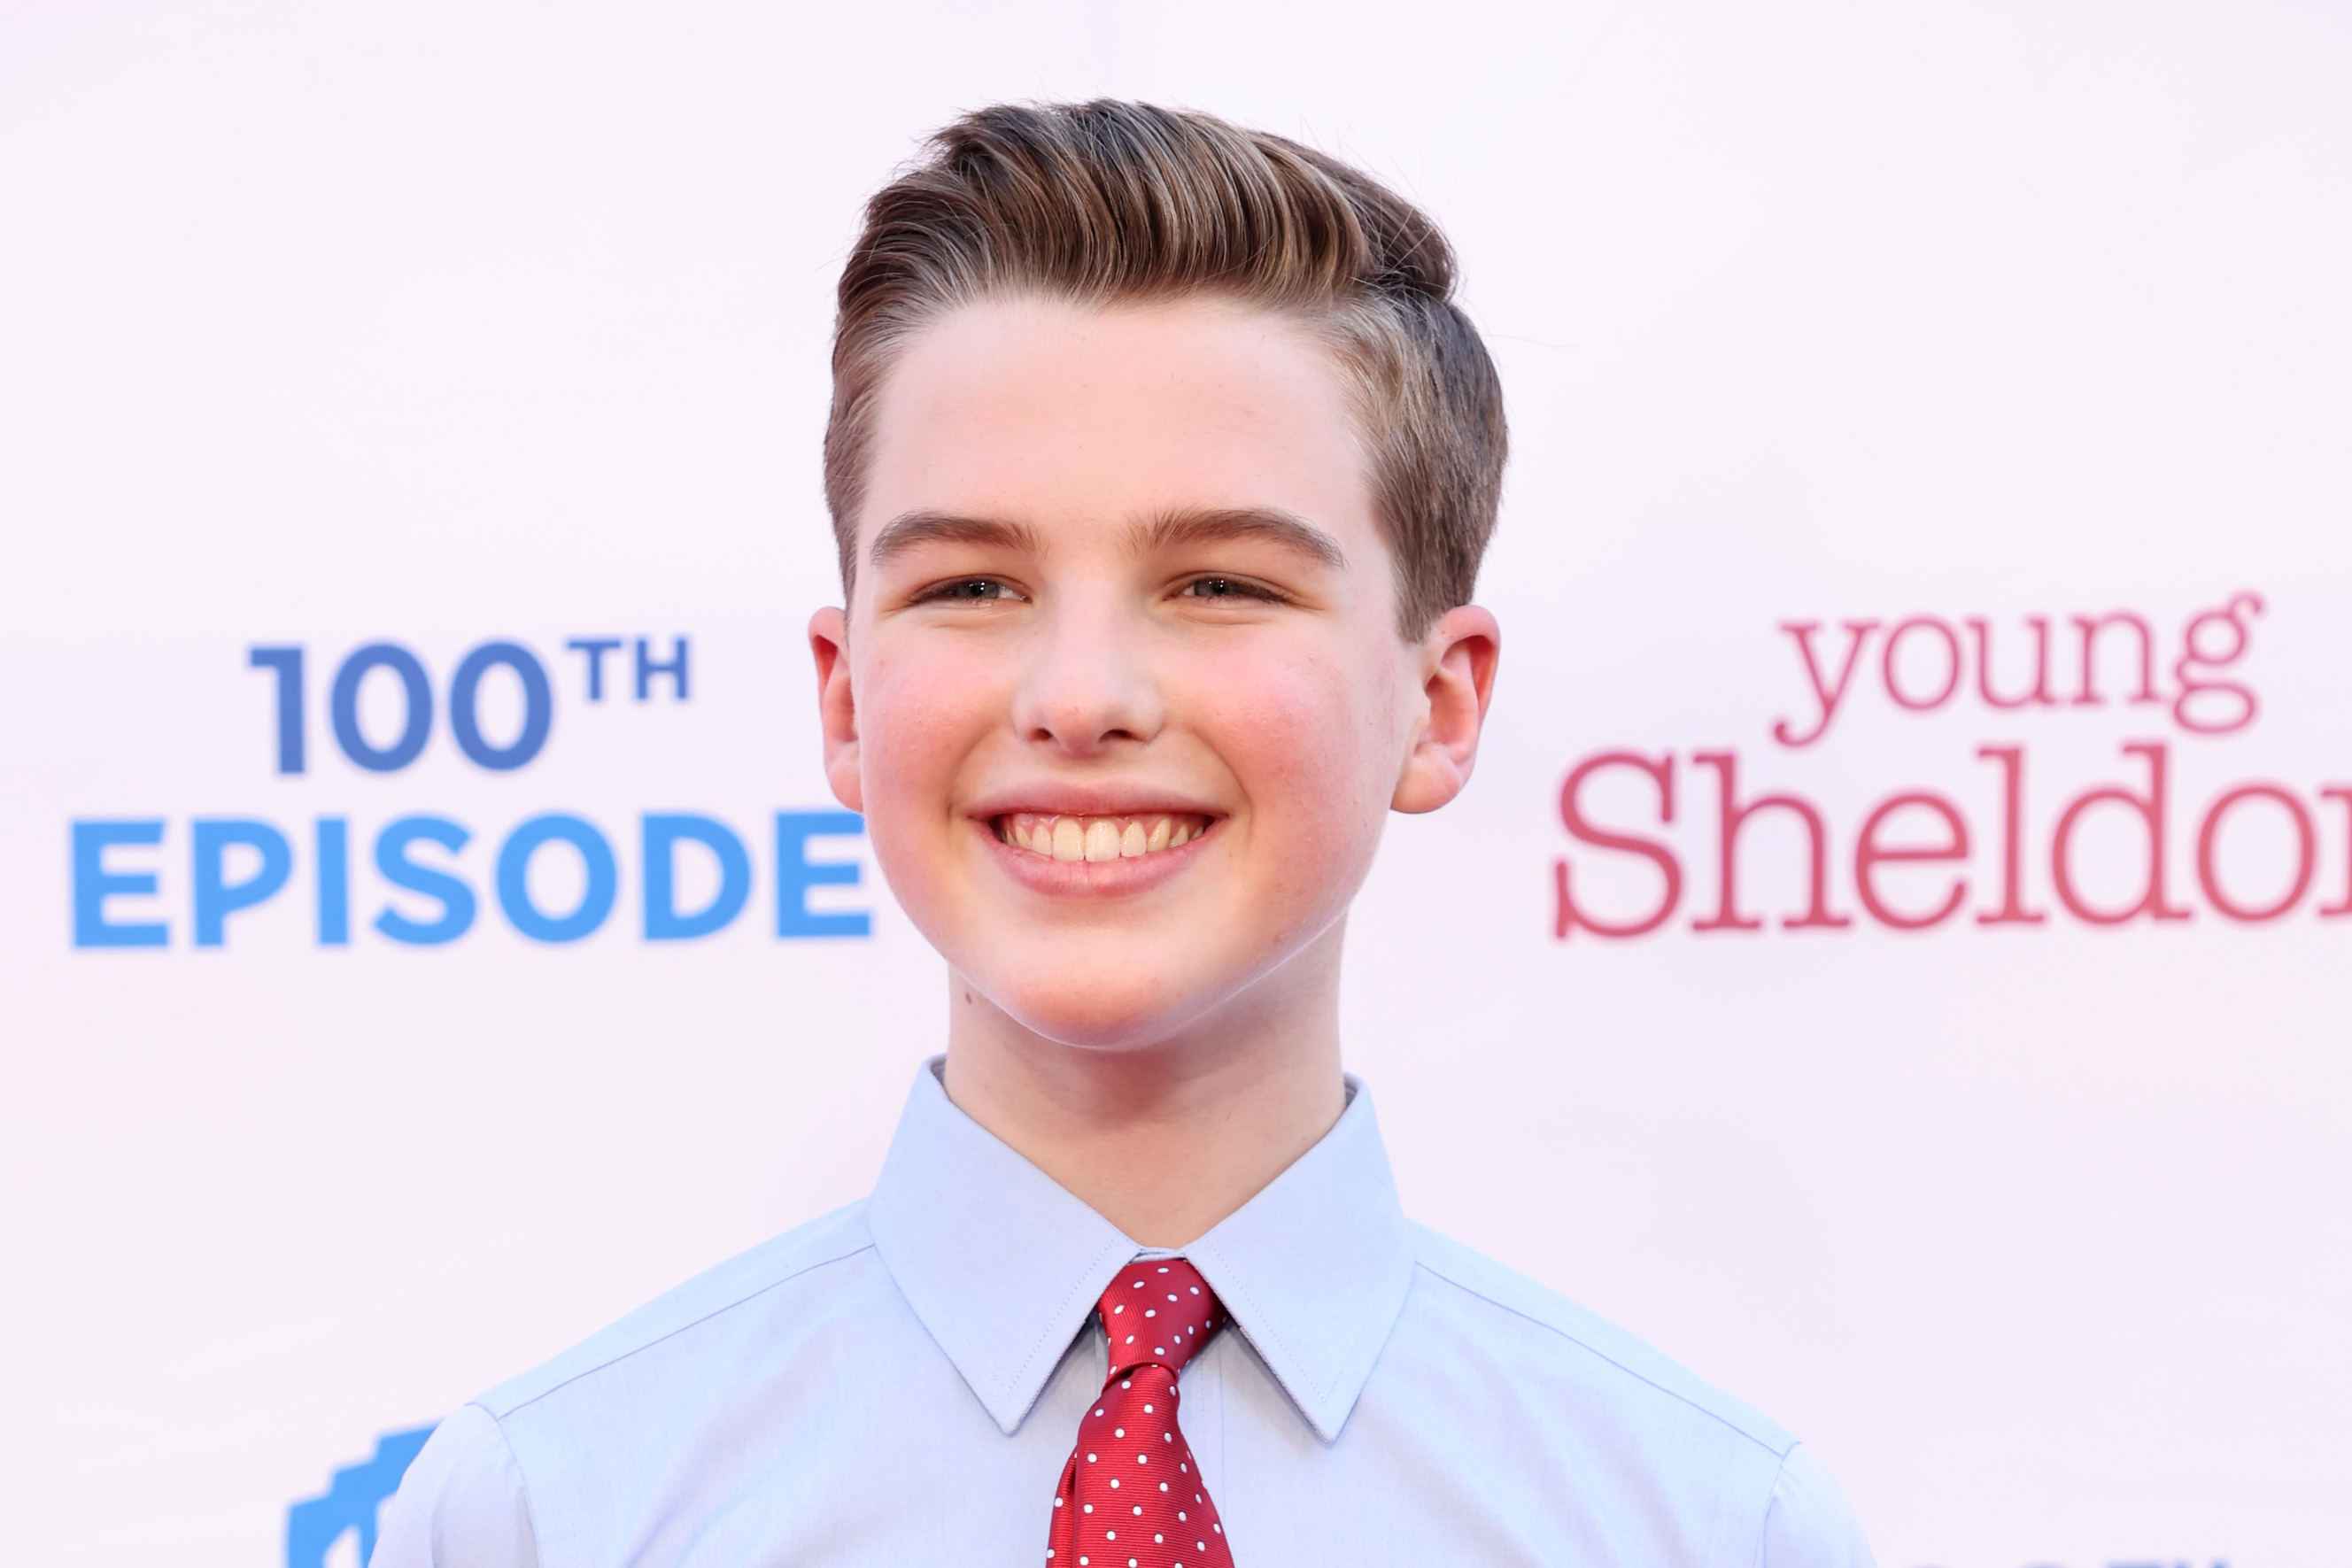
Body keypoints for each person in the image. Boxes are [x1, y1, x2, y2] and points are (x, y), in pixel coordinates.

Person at [375, 100, 1875, 1567]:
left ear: (1441, 703)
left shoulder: (1703, 1527)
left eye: (1221, 584)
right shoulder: (545, 1515)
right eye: (970, 587)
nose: (1079, 697)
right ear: (844, 698)